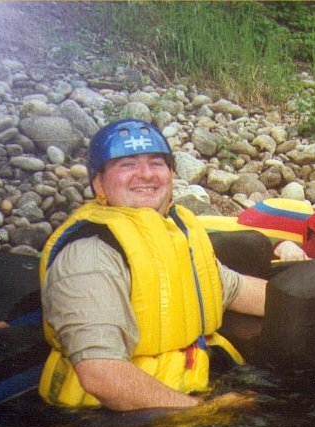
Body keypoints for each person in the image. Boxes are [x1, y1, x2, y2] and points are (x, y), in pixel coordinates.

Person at [38, 119, 267, 411]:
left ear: (171, 174)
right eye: (127, 164)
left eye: (156, 163)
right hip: (107, 421)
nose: (145, 174)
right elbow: (100, 375)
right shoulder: (88, 257)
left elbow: (237, 290)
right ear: (99, 182)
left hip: (184, 394)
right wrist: (205, 410)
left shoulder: (174, 234)